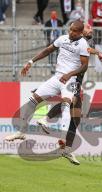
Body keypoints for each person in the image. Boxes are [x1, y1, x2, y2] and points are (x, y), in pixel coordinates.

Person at [5, 21, 90, 165]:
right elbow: (47, 50)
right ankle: (21, 132)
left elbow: (84, 66)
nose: (71, 33)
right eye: (70, 30)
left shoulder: (83, 44)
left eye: (74, 31)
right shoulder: (62, 39)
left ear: (80, 32)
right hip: (57, 78)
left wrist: (70, 74)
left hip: (70, 81)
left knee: (66, 106)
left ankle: (63, 140)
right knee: (33, 100)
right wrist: (31, 62)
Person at [36, 23, 102, 165]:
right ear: (82, 31)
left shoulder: (87, 41)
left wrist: (97, 52)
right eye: (88, 28)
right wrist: (98, 53)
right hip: (71, 79)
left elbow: (88, 48)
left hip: (77, 81)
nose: (91, 30)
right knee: (70, 103)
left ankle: (66, 149)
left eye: (91, 28)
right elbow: (87, 49)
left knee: (75, 118)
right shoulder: (79, 41)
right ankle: (46, 119)